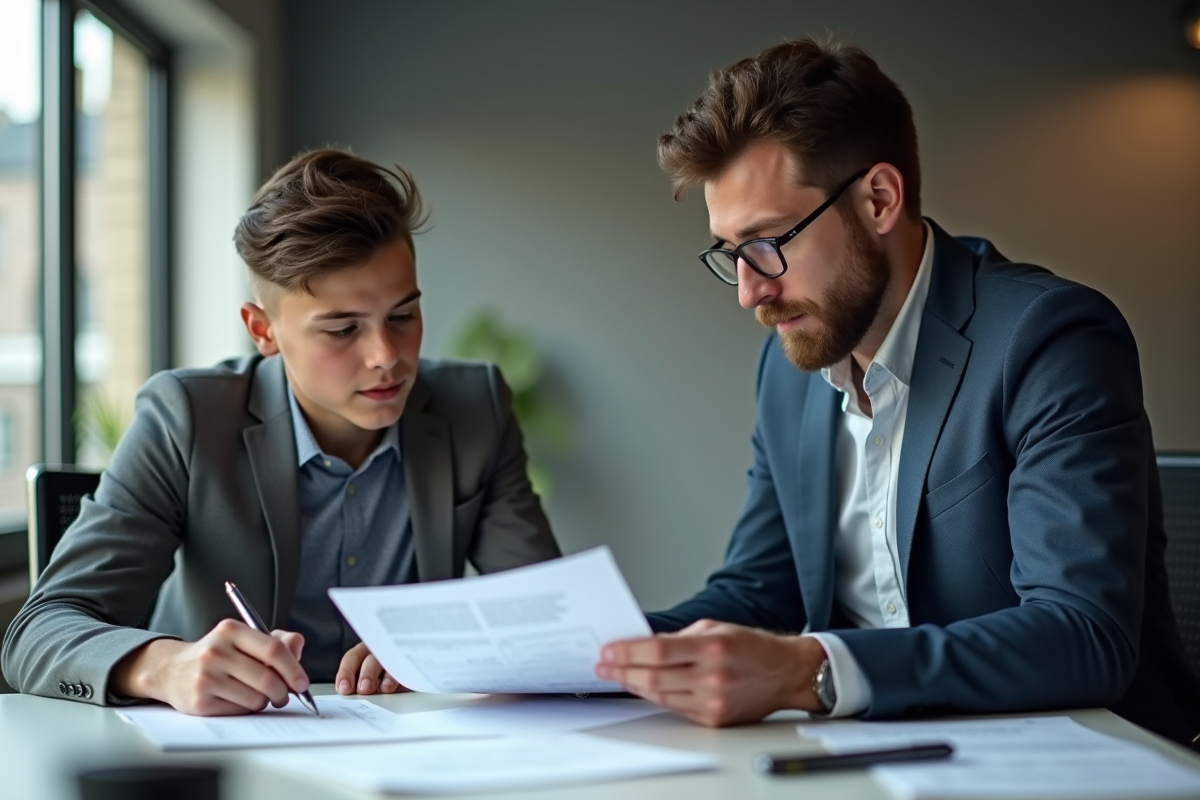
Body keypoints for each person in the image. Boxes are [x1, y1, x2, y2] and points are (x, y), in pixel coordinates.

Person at [594, 36, 1200, 745]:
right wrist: (586, 654)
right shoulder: (790, 368)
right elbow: (759, 593)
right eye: (732, 254)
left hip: (1085, 760)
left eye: (767, 243)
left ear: (879, 199)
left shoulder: (1049, 338)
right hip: (884, 760)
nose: (750, 291)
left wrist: (810, 670)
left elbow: (1081, 633)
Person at [2, 149, 561, 715]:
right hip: (220, 757)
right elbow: (37, 633)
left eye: (402, 316)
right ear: (262, 329)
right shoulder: (187, 418)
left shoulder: (475, 406)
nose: (386, 357)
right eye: (343, 329)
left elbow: (549, 615)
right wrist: (167, 667)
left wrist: (436, 647)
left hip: (409, 750)